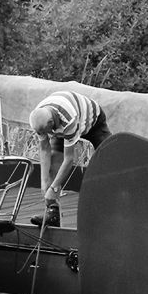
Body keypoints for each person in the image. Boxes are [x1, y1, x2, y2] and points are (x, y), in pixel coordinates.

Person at [27, 90, 112, 227]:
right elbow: (44, 149)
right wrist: (44, 183)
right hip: (61, 124)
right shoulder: (39, 118)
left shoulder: (68, 119)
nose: (48, 134)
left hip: (92, 122)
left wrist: (53, 188)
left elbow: (69, 159)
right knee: (54, 164)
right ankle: (53, 214)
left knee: (110, 160)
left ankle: (111, 212)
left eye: (48, 131)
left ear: (51, 122)